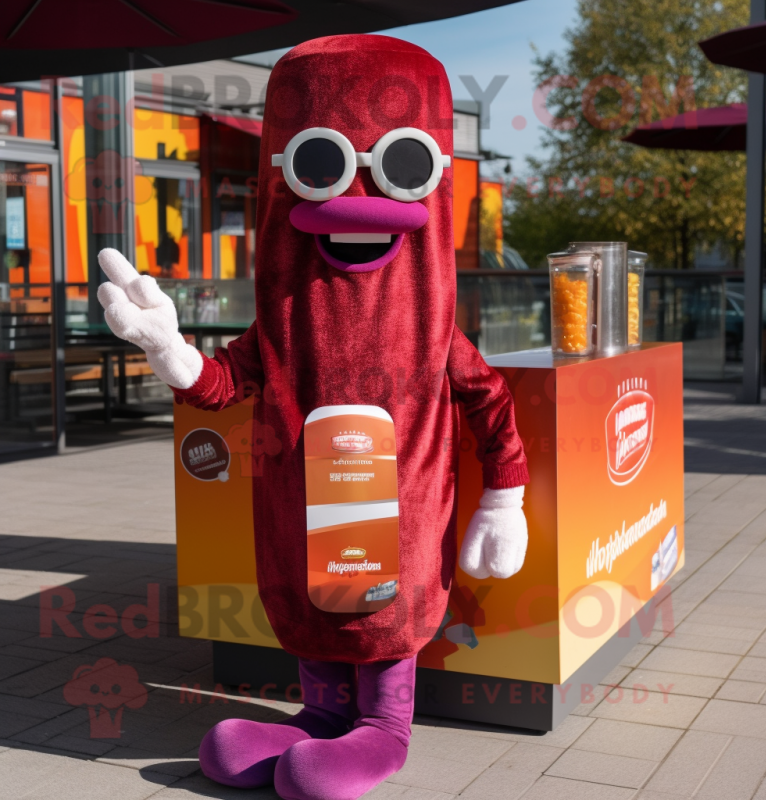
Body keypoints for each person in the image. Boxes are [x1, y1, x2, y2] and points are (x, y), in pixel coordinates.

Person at [96, 33, 529, 800]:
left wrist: (505, 496)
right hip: (306, 520)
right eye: (319, 165)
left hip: (401, 522)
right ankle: (323, 716)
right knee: (315, 607)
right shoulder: (284, 321)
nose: (356, 197)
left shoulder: (432, 328)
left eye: (400, 167)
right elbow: (223, 383)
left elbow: (487, 396)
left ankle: (385, 728)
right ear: (283, 179)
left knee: (380, 610)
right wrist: (170, 349)